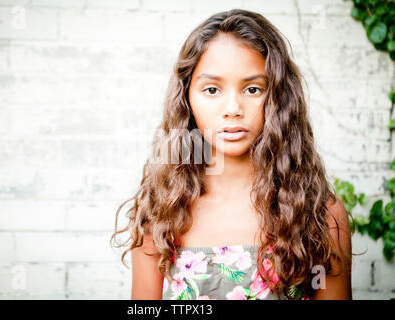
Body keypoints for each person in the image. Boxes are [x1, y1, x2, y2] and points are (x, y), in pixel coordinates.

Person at [111, 9, 353, 300]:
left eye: (253, 89)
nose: (233, 108)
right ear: (187, 98)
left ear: (278, 97)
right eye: (212, 90)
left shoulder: (319, 215)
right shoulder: (161, 212)